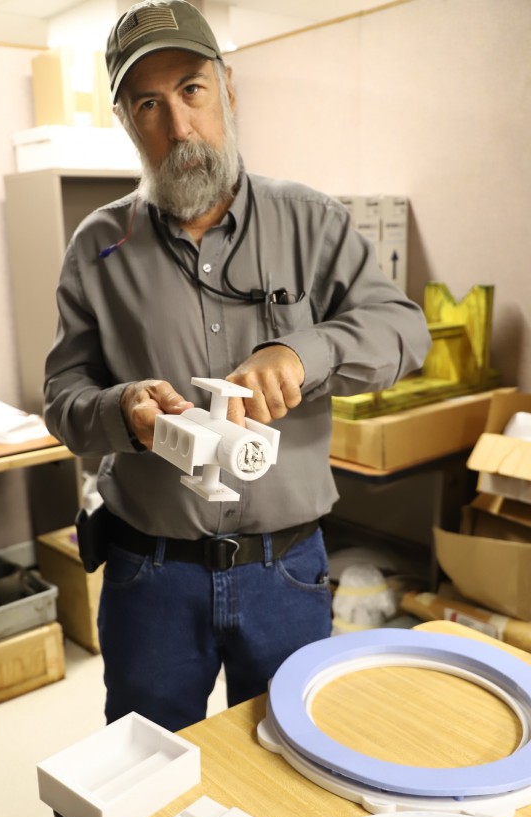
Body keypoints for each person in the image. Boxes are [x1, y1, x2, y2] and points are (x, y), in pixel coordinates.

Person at [44, 0, 431, 737]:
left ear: (228, 90)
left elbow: (403, 332)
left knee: (294, 757)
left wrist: (302, 352)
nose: (178, 126)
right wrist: (121, 410)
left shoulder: (313, 222)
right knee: (148, 769)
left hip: (285, 571)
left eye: (191, 90)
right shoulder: (97, 247)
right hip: (148, 573)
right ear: (126, 122)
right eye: (148, 104)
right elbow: (62, 397)